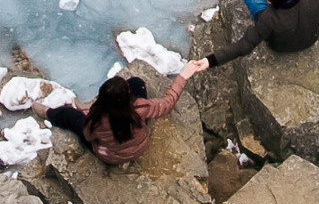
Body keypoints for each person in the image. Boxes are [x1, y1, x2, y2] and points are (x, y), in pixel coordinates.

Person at [45, 58, 207, 164]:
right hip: (139, 147)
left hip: (110, 156)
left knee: (71, 116)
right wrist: (182, 77)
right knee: (137, 83)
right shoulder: (139, 108)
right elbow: (168, 103)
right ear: (128, 98)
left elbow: (88, 136)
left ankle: (47, 112)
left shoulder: (96, 120)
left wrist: (90, 115)